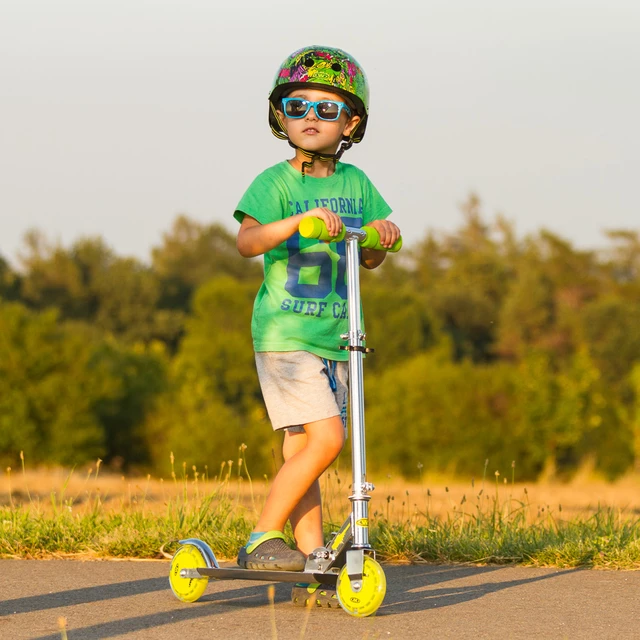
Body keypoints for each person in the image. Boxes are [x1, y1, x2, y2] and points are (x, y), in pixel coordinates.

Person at [233, 45, 401, 606]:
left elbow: (370, 254)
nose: (310, 116)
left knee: (302, 449)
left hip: (337, 336)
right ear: (280, 115)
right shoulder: (274, 184)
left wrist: (383, 238)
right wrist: (297, 222)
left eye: (326, 109)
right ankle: (262, 536)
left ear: (350, 123)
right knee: (328, 440)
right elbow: (247, 242)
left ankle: (314, 559)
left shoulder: (356, 183)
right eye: (297, 104)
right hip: (285, 336)